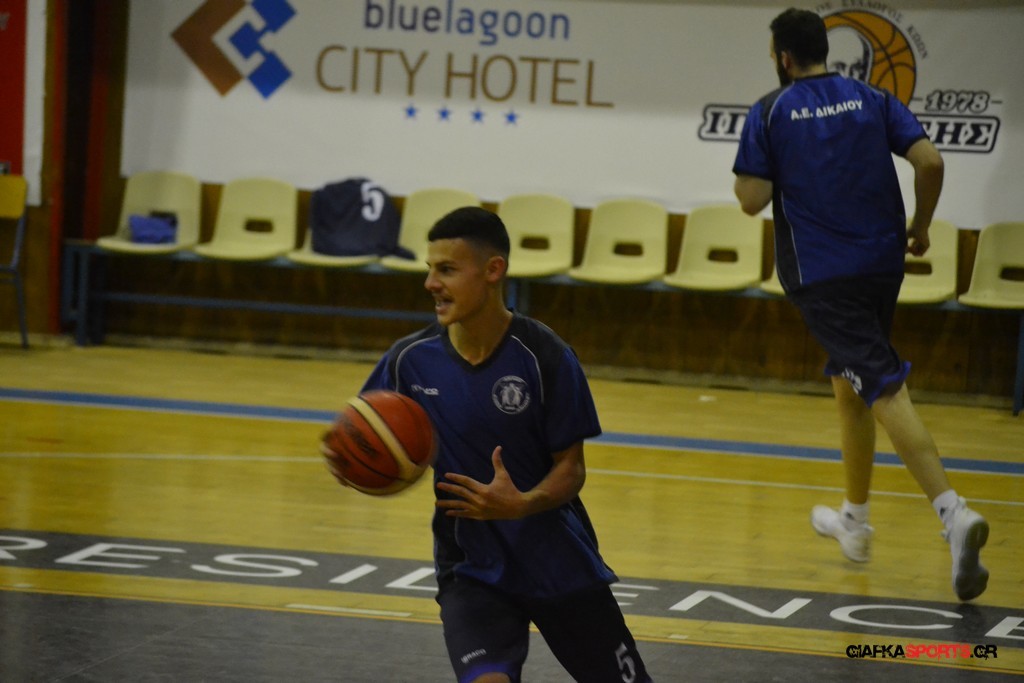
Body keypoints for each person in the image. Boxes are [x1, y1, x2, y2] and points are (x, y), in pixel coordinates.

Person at [732, 8, 989, 601]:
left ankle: (953, 514)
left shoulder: (771, 110)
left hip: (823, 275)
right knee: (850, 384)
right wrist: (920, 226)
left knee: (882, 385)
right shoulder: (873, 98)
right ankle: (855, 519)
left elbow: (751, 198)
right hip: (882, 264)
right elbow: (930, 161)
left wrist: (771, 166)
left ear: (783, 58)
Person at [356, 206, 651, 682]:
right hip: (471, 569)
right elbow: (367, 430)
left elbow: (571, 468)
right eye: (429, 269)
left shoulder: (545, 355)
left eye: (447, 270)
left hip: (556, 561)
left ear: (493, 270)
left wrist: (522, 503)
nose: (431, 283)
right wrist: (348, 457)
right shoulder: (409, 360)